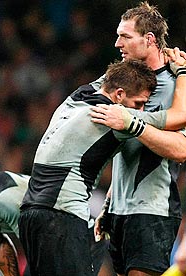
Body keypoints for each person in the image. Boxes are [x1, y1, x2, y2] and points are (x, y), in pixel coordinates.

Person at [18, 58, 174, 276]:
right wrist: (183, 72)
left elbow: (111, 77)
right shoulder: (113, 117)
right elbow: (178, 118)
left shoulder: (76, 98)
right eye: (138, 103)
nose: (141, 108)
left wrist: (131, 58)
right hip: (61, 216)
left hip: (30, 214)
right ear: (119, 95)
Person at [90, 2, 183, 275]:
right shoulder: (125, 82)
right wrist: (110, 201)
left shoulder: (178, 84)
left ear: (150, 40)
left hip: (152, 209)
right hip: (119, 210)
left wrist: (134, 124)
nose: (117, 43)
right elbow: (127, 149)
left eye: (125, 36)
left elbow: (181, 149)